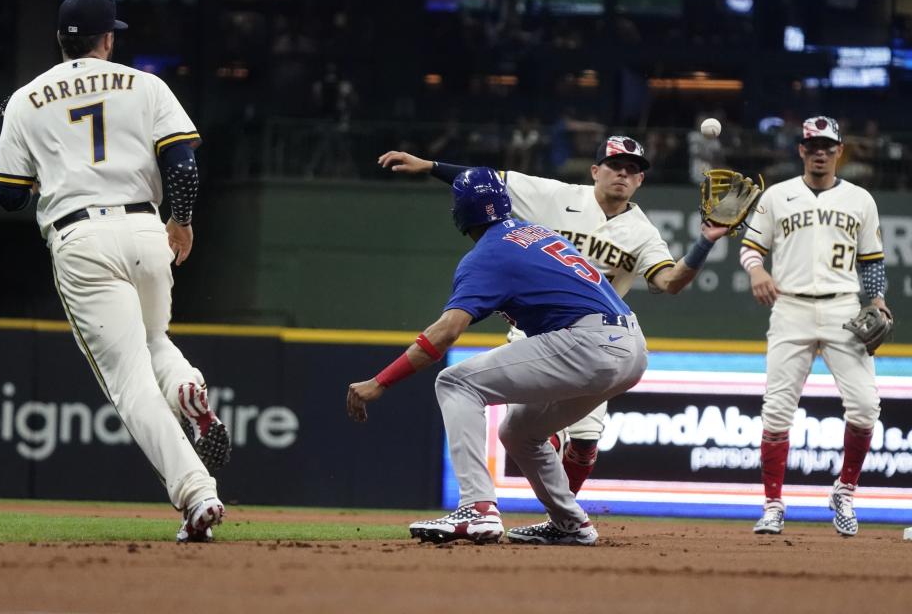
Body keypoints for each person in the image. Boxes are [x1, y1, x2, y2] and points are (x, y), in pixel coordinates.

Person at [0, 0, 230, 542]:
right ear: (108, 39)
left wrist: (18, 130)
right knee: (152, 339)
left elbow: (8, 196)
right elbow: (182, 161)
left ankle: (196, 493)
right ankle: (188, 387)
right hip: (147, 230)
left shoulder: (26, 99)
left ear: (60, 40)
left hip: (81, 237)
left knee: (129, 383)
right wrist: (183, 220)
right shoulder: (146, 84)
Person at [378, 136, 728, 496]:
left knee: (585, 443)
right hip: (535, 333)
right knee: (538, 433)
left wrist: (704, 243)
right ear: (595, 171)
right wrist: (430, 166)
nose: (623, 174)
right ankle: (554, 516)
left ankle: (562, 518)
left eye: (633, 170)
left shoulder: (643, 232)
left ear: (640, 181)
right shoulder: (556, 196)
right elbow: (487, 182)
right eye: (615, 166)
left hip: (593, 338)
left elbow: (668, 282)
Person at [346, 167, 648, 545]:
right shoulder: (537, 233)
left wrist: (380, 381)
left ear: (461, 213)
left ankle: (478, 509)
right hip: (631, 346)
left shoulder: (488, 254)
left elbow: (447, 331)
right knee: (519, 431)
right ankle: (571, 523)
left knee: (454, 382)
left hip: (590, 342)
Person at [740, 116, 890, 537]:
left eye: (827, 146)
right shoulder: (777, 196)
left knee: (865, 408)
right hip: (790, 307)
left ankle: (844, 490)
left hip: (844, 308)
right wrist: (756, 272)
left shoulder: (860, 199)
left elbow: (872, 260)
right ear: (801, 150)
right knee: (776, 411)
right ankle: (772, 505)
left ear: (839, 151)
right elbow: (752, 248)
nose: (819, 152)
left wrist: (876, 298)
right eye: (812, 146)